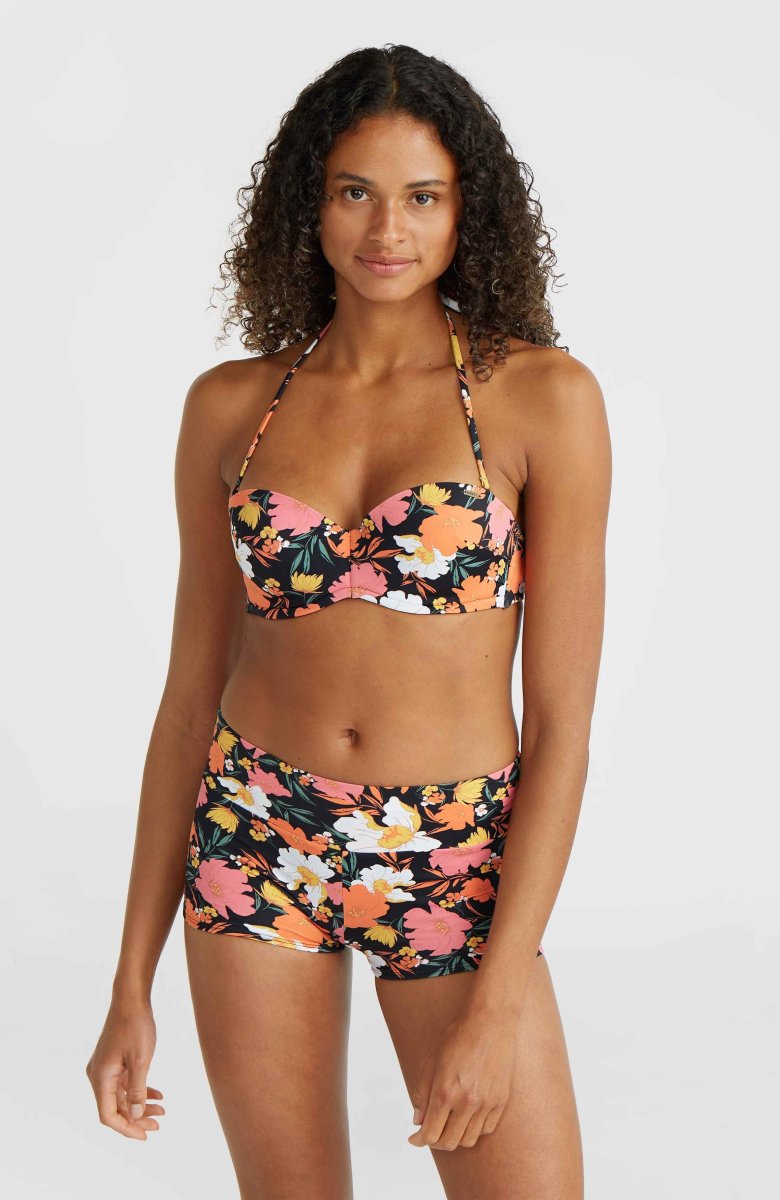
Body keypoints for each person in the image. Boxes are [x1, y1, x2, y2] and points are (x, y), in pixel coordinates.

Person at [85, 43, 611, 1200]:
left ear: (468, 210)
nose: (387, 230)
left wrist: (500, 997)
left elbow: (562, 729)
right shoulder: (232, 406)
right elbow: (187, 697)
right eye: (355, 192)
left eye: (423, 197)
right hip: (257, 831)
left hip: (456, 858)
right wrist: (130, 982)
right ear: (307, 205)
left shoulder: (543, 399)